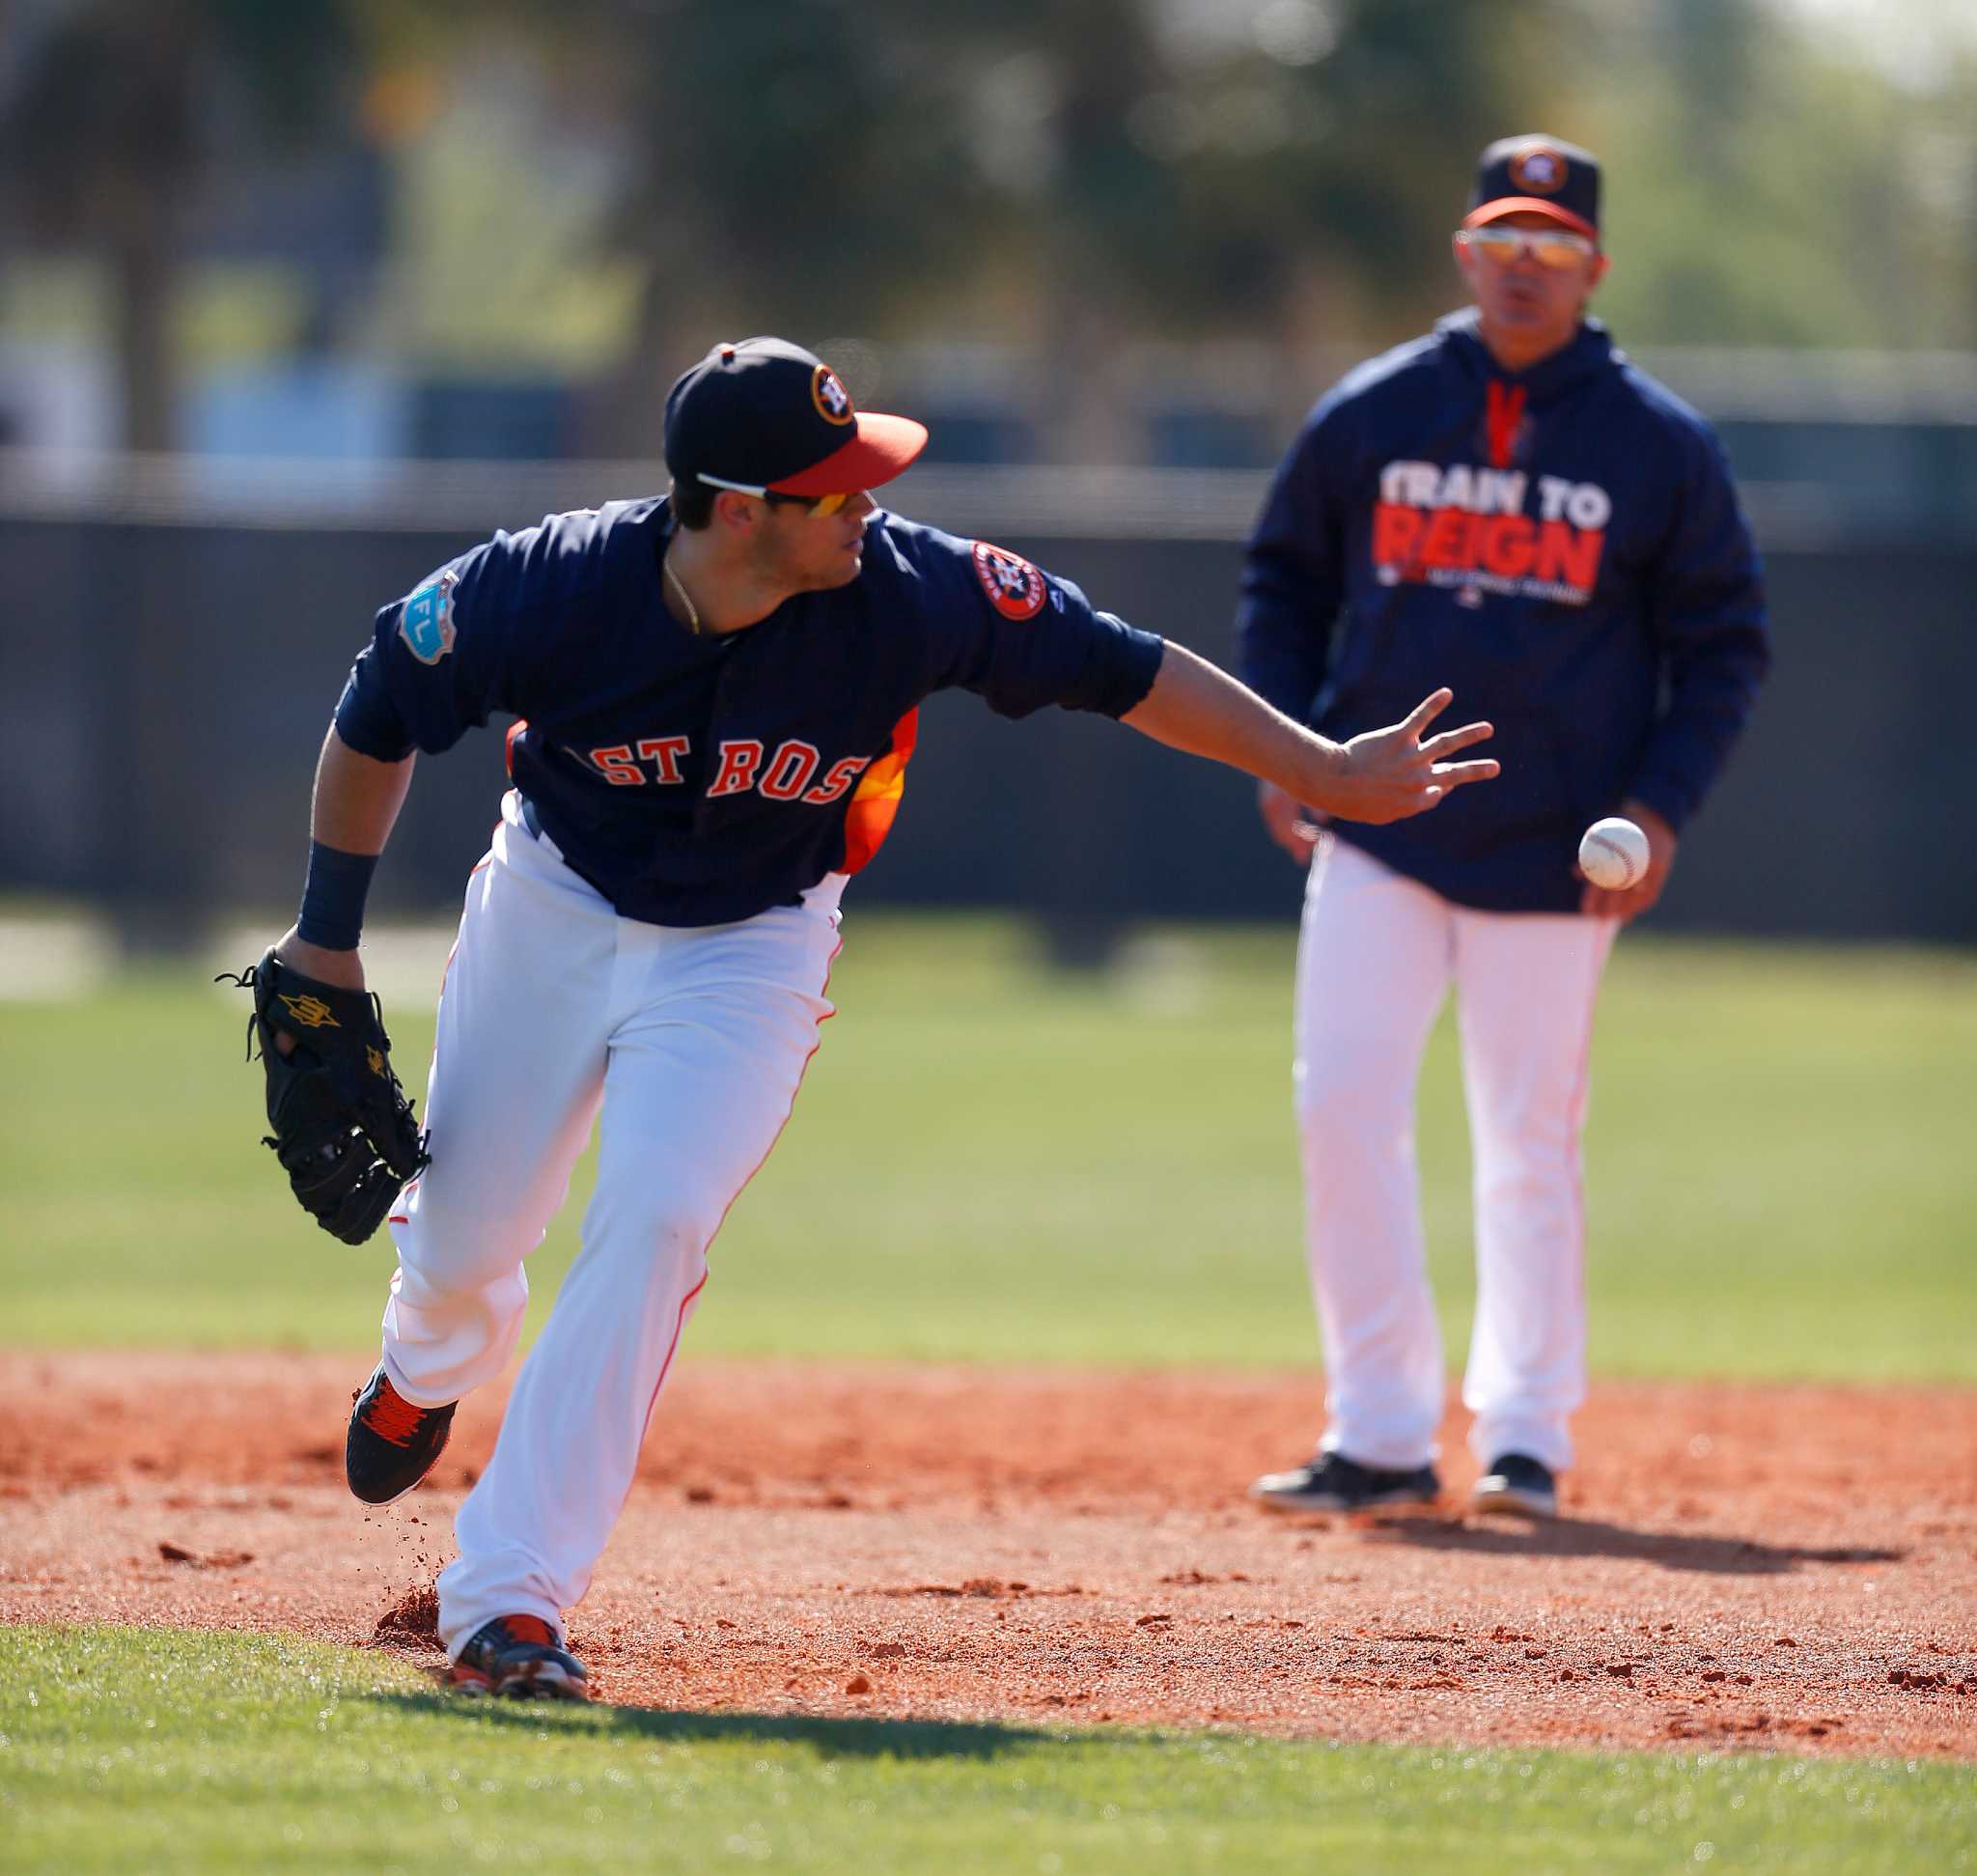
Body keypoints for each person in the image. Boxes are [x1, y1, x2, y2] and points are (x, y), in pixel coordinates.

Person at [255, 336, 1499, 1699]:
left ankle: (508, 1599)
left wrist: (1322, 765)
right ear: (742, 511)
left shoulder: (911, 591)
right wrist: (327, 937)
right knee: (468, 1242)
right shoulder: (551, 586)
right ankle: (423, 1365)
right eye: (835, 489)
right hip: (553, 906)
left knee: (659, 1217)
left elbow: (1125, 668)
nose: (869, 505)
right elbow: (379, 705)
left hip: (753, 941)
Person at [1239, 137, 1768, 1522]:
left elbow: (1723, 646)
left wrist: (1656, 810)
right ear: (1465, 254)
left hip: (1556, 852)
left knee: (1528, 1140)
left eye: (1553, 251)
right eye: (1503, 245)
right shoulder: (1376, 410)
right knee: (1341, 1106)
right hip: (1380, 825)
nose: (1525, 273)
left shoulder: (1658, 445)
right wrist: (1286, 746)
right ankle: (1380, 1430)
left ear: (1594, 269)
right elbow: (1283, 580)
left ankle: (1525, 1432)